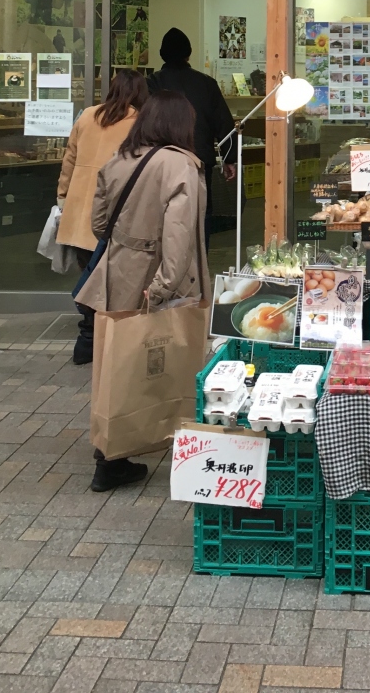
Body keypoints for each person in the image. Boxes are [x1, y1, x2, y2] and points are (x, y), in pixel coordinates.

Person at [75, 91, 210, 493]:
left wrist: (127, 245)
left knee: (118, 359)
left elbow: (99, 223)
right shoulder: (181, 165)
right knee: (158, 358)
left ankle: (112, 452)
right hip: (158, 277)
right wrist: (164, 286)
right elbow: (179, 235)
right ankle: (126, 451)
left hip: (118, 273)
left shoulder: (119, 159)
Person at [56, 68, 148, 365]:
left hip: (79, 208)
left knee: (89, 273)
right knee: (113, 280)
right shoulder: (139, 121)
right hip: (115, 211)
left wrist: (62, 196)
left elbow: (69, 160)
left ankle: (88, 336)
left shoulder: (87, 116)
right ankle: (101, 340)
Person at [147, 27, 237, 246]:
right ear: (188, 54)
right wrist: (229, 159)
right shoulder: (207, 83)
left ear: (162, 55)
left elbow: (142, 122)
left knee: (162, 214)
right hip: (199, 160)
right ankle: (199, 261)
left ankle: (167, 262)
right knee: (200, 214)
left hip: (161, 161)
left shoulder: (152, 83)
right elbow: (224, 123)